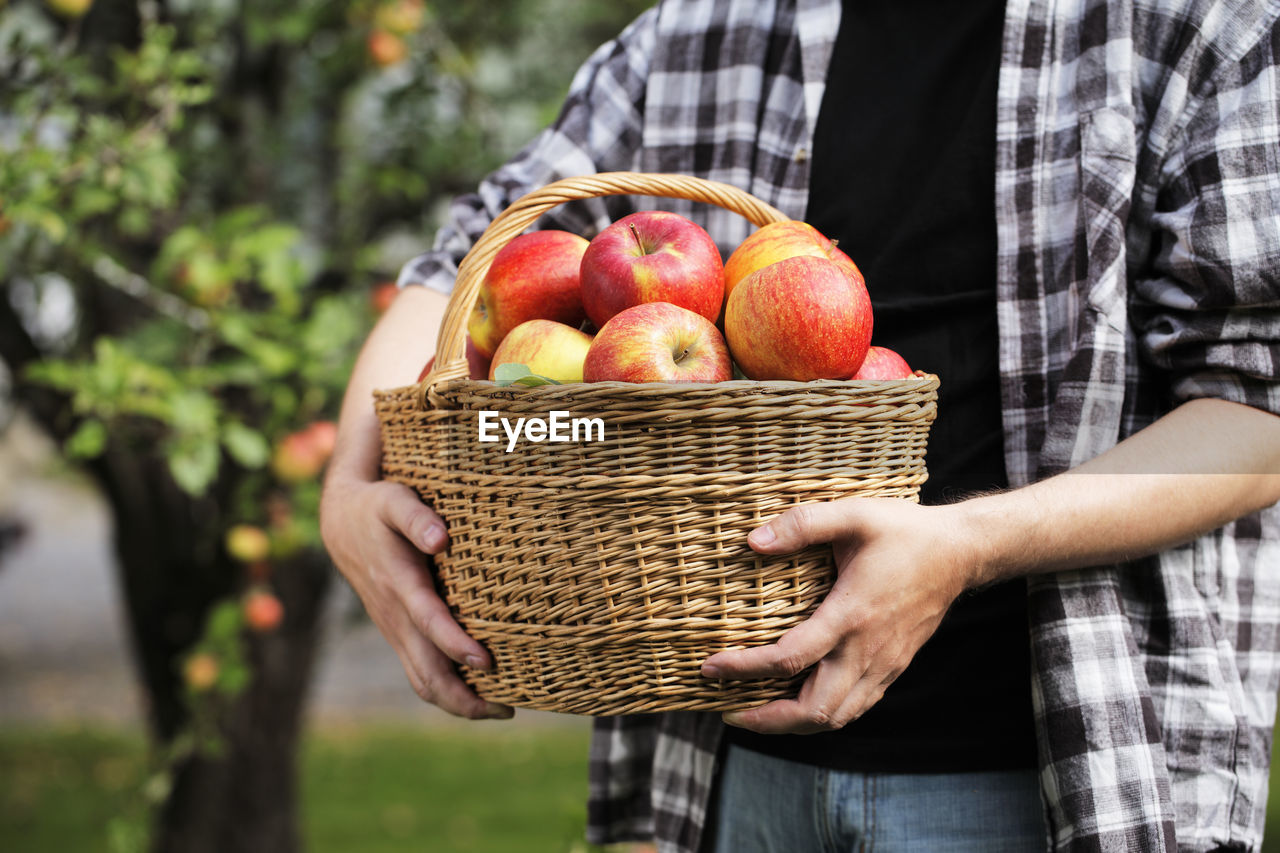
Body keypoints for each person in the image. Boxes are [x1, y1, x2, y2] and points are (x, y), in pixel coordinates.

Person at [319, 0, 1280, 850]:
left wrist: (966, 542)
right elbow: (474, 253)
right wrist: (348, 490)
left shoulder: (1192, 23)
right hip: (729, 764)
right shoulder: (706, 25)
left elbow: (1259, 410)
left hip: (1062, 766)